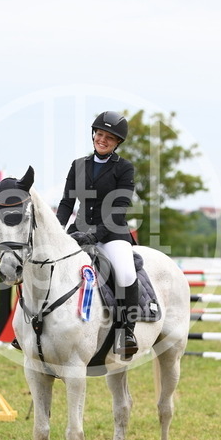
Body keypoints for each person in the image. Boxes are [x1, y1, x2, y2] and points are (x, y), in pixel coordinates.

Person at [56, 111, 139, 358]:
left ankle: (127, 330)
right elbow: (67, 203)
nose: (102, 140)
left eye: (109, 138)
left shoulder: (124, 168)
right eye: (99, 134)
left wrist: (95, 235)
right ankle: (36, 324)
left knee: (126, 272)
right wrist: (57, 232)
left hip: (113, 233)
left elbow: (119, 208)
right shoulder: (78, 165)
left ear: (117, 142)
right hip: (79, 230)